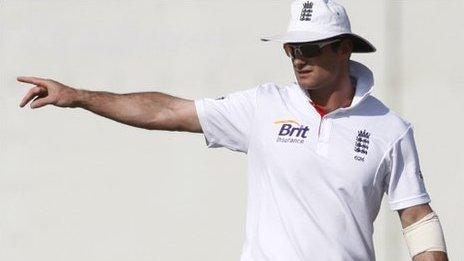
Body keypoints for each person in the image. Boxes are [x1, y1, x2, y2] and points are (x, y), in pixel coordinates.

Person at [18, 0, 448, 260]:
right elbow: (168, 111)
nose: (298, 59)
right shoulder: (263, 105)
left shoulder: (389, 129)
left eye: (311, 48)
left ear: (343, 48)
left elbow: (418, 219)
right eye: (291, 49)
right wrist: (78, 96)